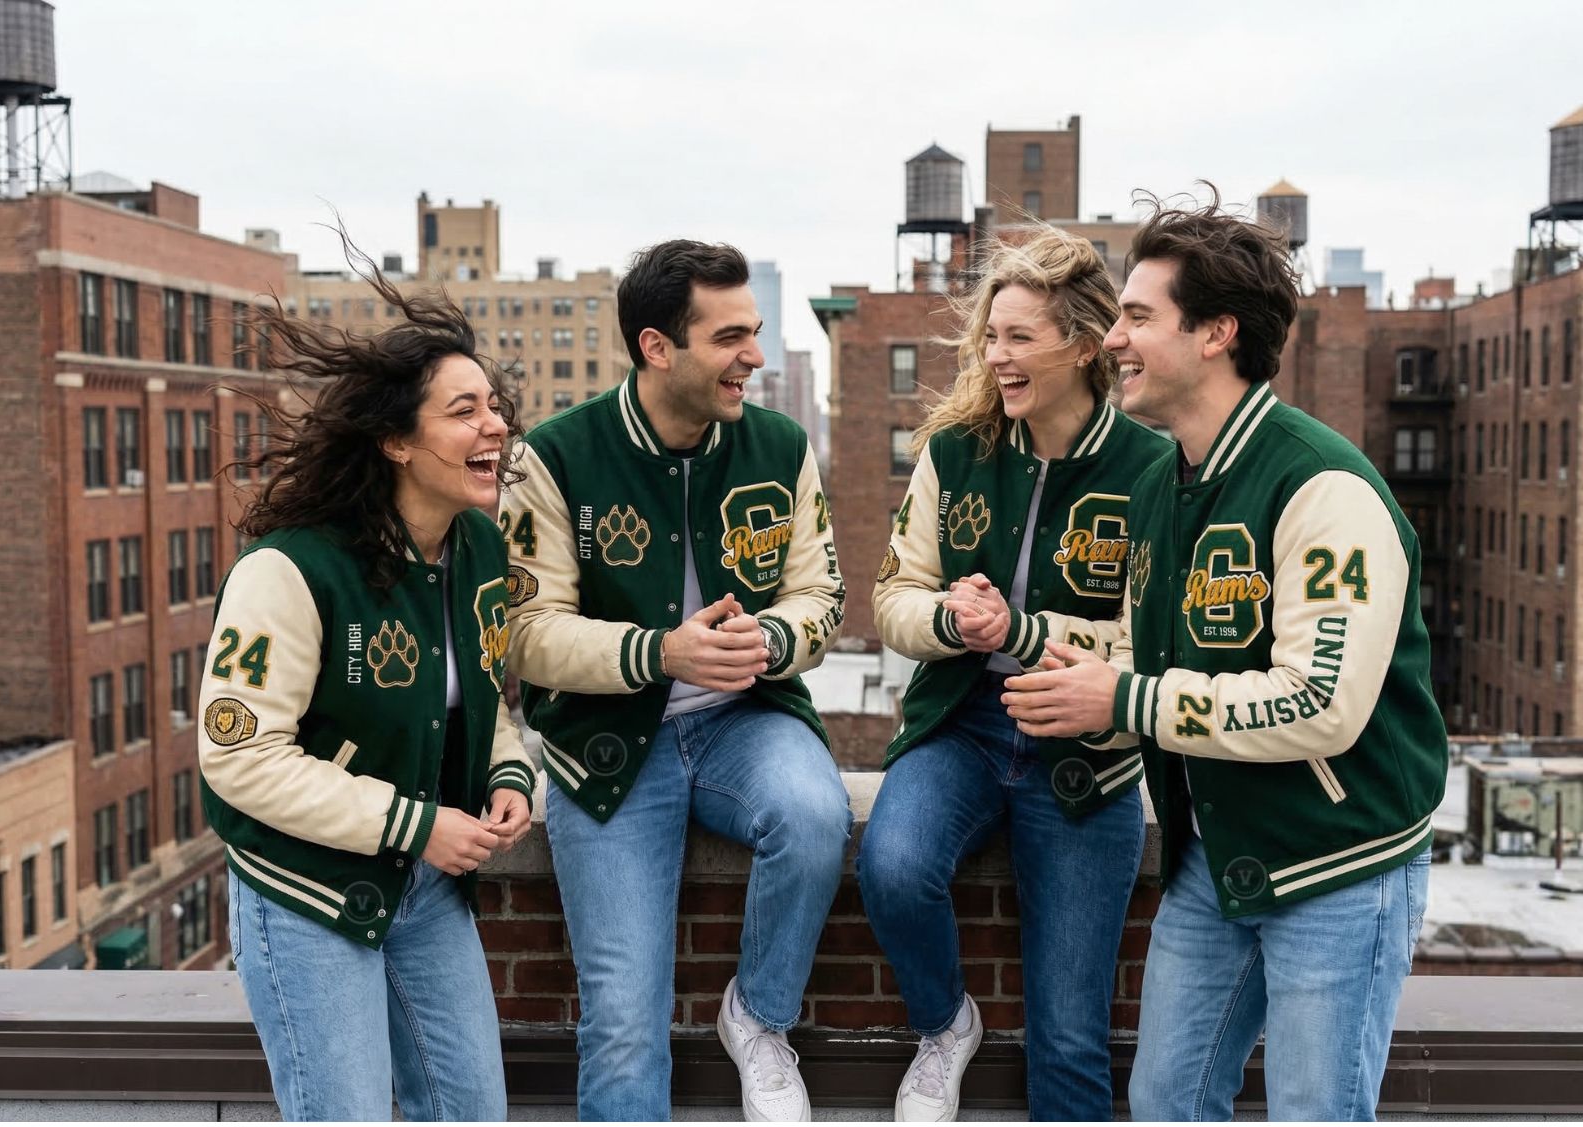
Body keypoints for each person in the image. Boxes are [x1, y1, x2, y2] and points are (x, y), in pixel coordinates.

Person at [1002, 192, 1446, 1121]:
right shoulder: (1165, 482)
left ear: (1215, 334)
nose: (1111, 340)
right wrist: (1024, 641)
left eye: (1135, 316)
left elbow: (1319, 702)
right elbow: (1138, 651)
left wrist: (1122, 701)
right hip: (1216, 860)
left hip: (1339, 865)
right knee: (1165, 1100)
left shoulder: (1321, 486)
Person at [502, 240, 850, 1121]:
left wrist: (769, 638)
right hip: (608, 744)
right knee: (621, 1021)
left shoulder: (777, 443)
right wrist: (660, 652)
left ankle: (759, 1016)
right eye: (731, 336)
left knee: (815, 818)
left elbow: (822, 594)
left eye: (757, 333)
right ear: (659, 347)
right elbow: (525, 633)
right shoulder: (555, 456)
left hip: (747, 717)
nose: (755, 357)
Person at [197, 257, 535, 1122]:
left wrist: (506, 774)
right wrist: (417, 822)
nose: (492, 423)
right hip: (303, 890)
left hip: (421, 889)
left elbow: (483, 697)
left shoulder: (480, 550)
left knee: (471, 1110)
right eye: (464, 410)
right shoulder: (291, 569)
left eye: (493, 405)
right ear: (395, 441)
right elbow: (238, 758)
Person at [857, 229, 1170, 1121]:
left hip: (1084, 754)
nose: (995, 356)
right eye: (990, 336)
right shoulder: (956, 451)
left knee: (1069, 1038)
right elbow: (893, 597)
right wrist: (953, 621)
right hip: (961, 723)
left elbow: (1149, 645)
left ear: (1081, 344)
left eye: (1018, 337)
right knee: (892, 864)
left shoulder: (1150, 471)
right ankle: (942, 1021)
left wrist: (1025, 630)